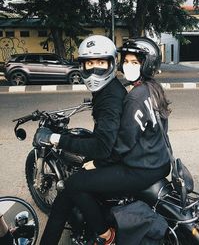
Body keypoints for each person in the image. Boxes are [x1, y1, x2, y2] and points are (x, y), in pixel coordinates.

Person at [36, 36, 171, 245]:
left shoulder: (133, 98)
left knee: (74, 184)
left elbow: (115, 146)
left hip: (141, 168)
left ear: (146, 64)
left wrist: (95, 161)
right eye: (126, 61)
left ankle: (106, 235)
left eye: (134, 62)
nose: (128, 66)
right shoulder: (152, 88)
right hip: (157, 160)